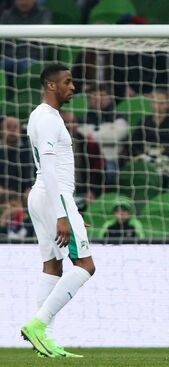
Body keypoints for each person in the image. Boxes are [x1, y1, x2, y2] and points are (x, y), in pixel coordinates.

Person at [21, 63, 96, 358]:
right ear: (51, 85)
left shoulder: (43, 116)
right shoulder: (47, 118)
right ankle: (39, 325)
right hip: (54, 196)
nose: (73, 87)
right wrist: (62, 214)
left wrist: (69, 213)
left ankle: (44, 343)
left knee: (52, 265)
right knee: (86, 265)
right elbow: (51, 169)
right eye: (67, 82)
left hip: (46, 196)